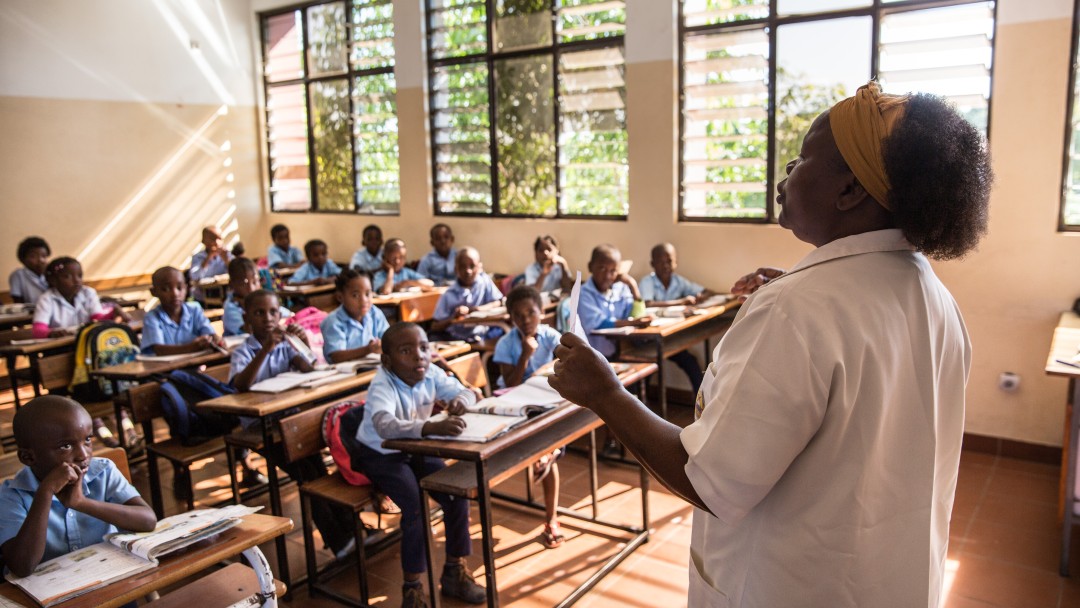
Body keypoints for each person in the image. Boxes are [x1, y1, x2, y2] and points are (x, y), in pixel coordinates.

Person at [547, 82, 992, 607]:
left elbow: (708, 477)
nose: (787, 176)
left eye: (802, 159)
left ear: (849, 191)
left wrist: (606, 393)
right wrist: (792, 297)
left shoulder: (799, 310)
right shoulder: (934, 298)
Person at [347, 322, 486, 606]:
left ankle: (453, 573)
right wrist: (428, 427)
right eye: (406, 351)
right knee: (416, 508)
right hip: (380, 453)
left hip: (416, 448)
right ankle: (412, 589)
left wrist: (460, 400)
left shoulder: (430, 372)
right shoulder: (382, 384)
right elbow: (384, 425)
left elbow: (468, 392)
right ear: (387, 360)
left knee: (455, 494)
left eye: (423, 348)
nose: (419, 356)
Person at [230, 289, 357, 559]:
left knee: (319, 469)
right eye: (259, 313)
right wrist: (266, 350)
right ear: (247, 318)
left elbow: (310, 371)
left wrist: (304, 346)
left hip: (290, 422)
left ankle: (352, 529)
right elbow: (241, 384)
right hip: (260, 428)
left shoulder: (287, 343)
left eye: (274, 312)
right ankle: (339, 540)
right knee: (305, 475)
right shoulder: (242, 351)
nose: (268, 318)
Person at [0, 396, 156, 577]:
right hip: (51, 592)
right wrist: (45, 492)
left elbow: (147, 520)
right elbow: (22, 566)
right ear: (28, 458)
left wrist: (80, 503)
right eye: (65, 446)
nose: (83, 455)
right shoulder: (11, 496)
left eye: (87, 440)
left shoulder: (102, 472)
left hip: (109, 577)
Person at [492, 285, 565, 548]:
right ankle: (547, 456)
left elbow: (567, 362)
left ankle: (551, 517)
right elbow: (510, 381)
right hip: (515, 404)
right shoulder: (506, 343)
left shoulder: (550, 336)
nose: (526, 320)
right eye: (519, 316)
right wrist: (525, 354)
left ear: (542, 312)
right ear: (511, 318)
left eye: (531, 313)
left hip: (545, 401)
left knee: (551, 437)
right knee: (547, 445)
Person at [639, 242, 709, 395]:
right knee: (648, 369)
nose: (666, 266)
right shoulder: (647, 282)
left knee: (691, 363)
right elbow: (648, 303)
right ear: (652, 264)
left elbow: (704, 291)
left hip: (668, 339)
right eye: (661, 262)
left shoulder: (678, 281)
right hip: (648, 342)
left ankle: (703, 405)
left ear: (675, 262)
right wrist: (681, 302)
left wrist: (700, 296)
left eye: (669, 261)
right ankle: (643, 406)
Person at [577, 244, 651, 359]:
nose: (607, 276)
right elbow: (599, 324)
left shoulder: (620, 288)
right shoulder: (583, 293)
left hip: (621, 352)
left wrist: (633, 285)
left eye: (613, 271)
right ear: (590, 267)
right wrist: (632, 322)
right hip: (595, 358)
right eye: (602, 268)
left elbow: (636, 314)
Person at [31, 257, 128, 339]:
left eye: (79, 275)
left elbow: (97, 319)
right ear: (53, 280)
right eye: (67, 276)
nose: (76, 280)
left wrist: (112, 313)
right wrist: (50, 333)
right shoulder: (46, 299)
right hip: (60, 347)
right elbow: (38, 330)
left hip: (86, 342)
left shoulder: (88, 293)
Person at [141, 266, 225, 356]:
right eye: (166, 289)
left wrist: (216, 339)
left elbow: (210, 333)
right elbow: (159, 350)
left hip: (196, 364)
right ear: (153, 292)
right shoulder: (152, 317)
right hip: (166, 369)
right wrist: (192, 347)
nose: (175, 294)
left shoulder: (195, 310)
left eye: (179, 288)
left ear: (186, 288)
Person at [430, 247, 504, 343]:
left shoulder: (485, 281)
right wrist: (453, 317)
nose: (468, 271)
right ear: (456, 269)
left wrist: (476, 309)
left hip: (482, 334)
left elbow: (498, 301)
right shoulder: (448, 294)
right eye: (462, 267)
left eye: (472, 266)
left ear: (479, 267)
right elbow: (435, 326)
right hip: (456, 338)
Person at [320, 269, 389, 364]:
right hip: (344, 374)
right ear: (340, 297)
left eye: (367, 293)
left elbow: (389, 338)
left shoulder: (374, 313)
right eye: (355, 295)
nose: (364, 300)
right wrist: (368, 349)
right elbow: (336, 356)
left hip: (373, 367)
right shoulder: (333, 322)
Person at [222, 257, 291, 337]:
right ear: (232, 284)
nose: (251, 288)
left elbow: (288, 315)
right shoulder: (230, 309)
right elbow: (251, 331)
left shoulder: (261, 300)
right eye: (244, 283)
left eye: (255, 282)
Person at [187, 226, 231, 304]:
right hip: (202, 299)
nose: (217, 242)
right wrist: (208, 258)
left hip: (224, 297)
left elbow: (236, 274)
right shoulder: (198, 257)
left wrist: (227, 261)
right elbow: (195, 277)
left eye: (219, 238)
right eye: (212, 239)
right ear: (203, 241)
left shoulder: (226, 255)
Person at [9, 236, 50, 305]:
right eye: (33, 256)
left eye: (44, 256)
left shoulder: (50, 273)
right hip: (30, 313)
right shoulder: (18, 275)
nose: (41, 260)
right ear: (23, 259)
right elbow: (17, 302)